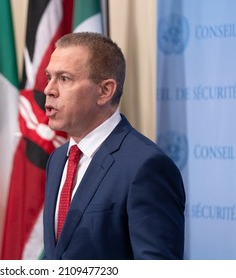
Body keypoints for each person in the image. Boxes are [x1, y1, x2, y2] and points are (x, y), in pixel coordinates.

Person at [42, 32, 185, 260]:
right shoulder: (58, 160)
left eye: (64, 79)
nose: (49, 89)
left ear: (105, 91)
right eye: (49, 77)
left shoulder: (146, 166)